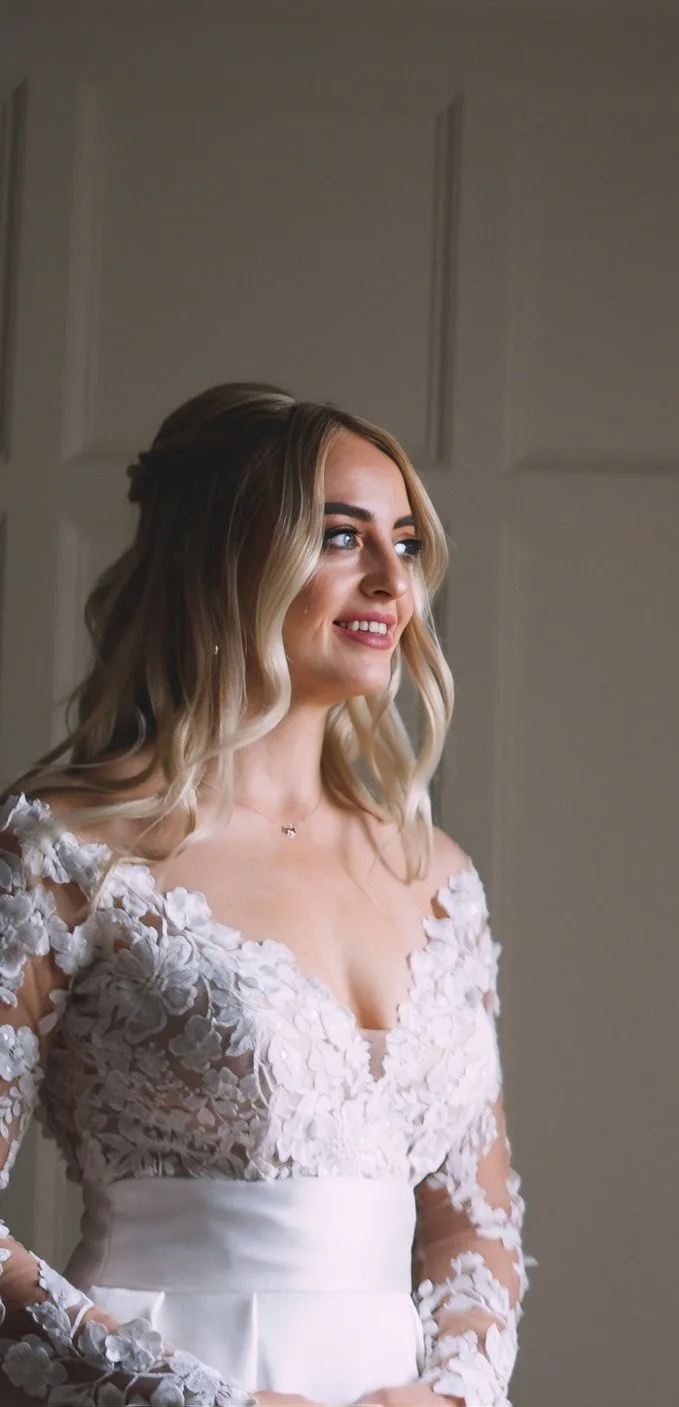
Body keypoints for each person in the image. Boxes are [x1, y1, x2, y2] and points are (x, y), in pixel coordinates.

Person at [0, 385, 525, 1405]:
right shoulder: (68, 852)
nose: (392, 582)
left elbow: (474, 1223)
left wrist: (454, 1390)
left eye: (406, 543)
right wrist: (192, 1397)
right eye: (342, 536)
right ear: (222, 556)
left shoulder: (437, 876)